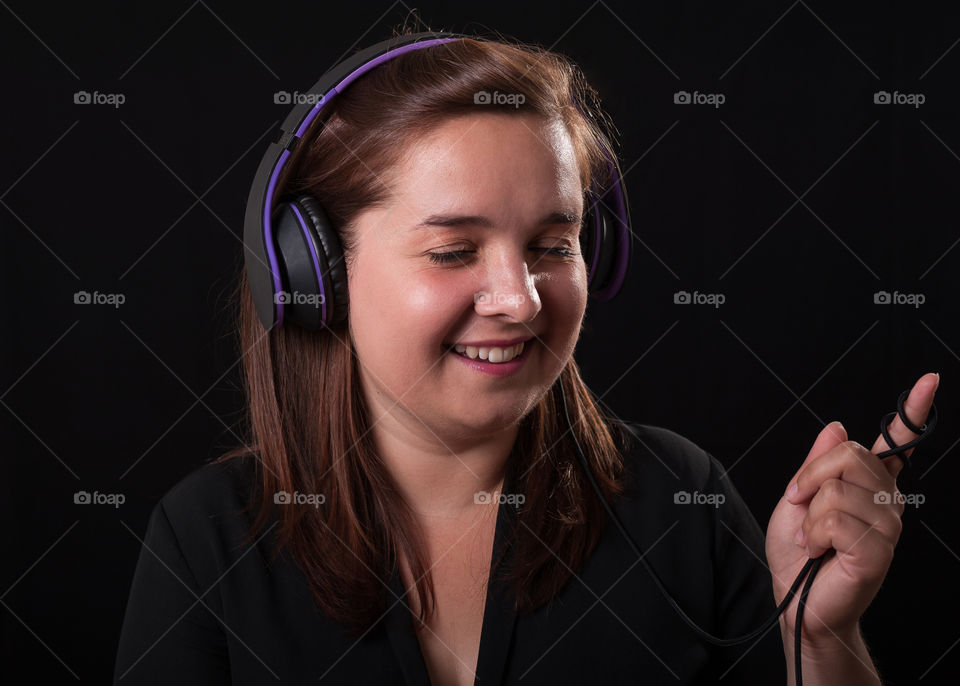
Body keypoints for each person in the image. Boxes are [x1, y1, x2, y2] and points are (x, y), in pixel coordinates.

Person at [113, 27, 940, 685]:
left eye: (553, 242)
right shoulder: (209, 540)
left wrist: (821, 641)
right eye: (452, 251)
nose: (521, 299)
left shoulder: (682, 506)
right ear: (312, 272)